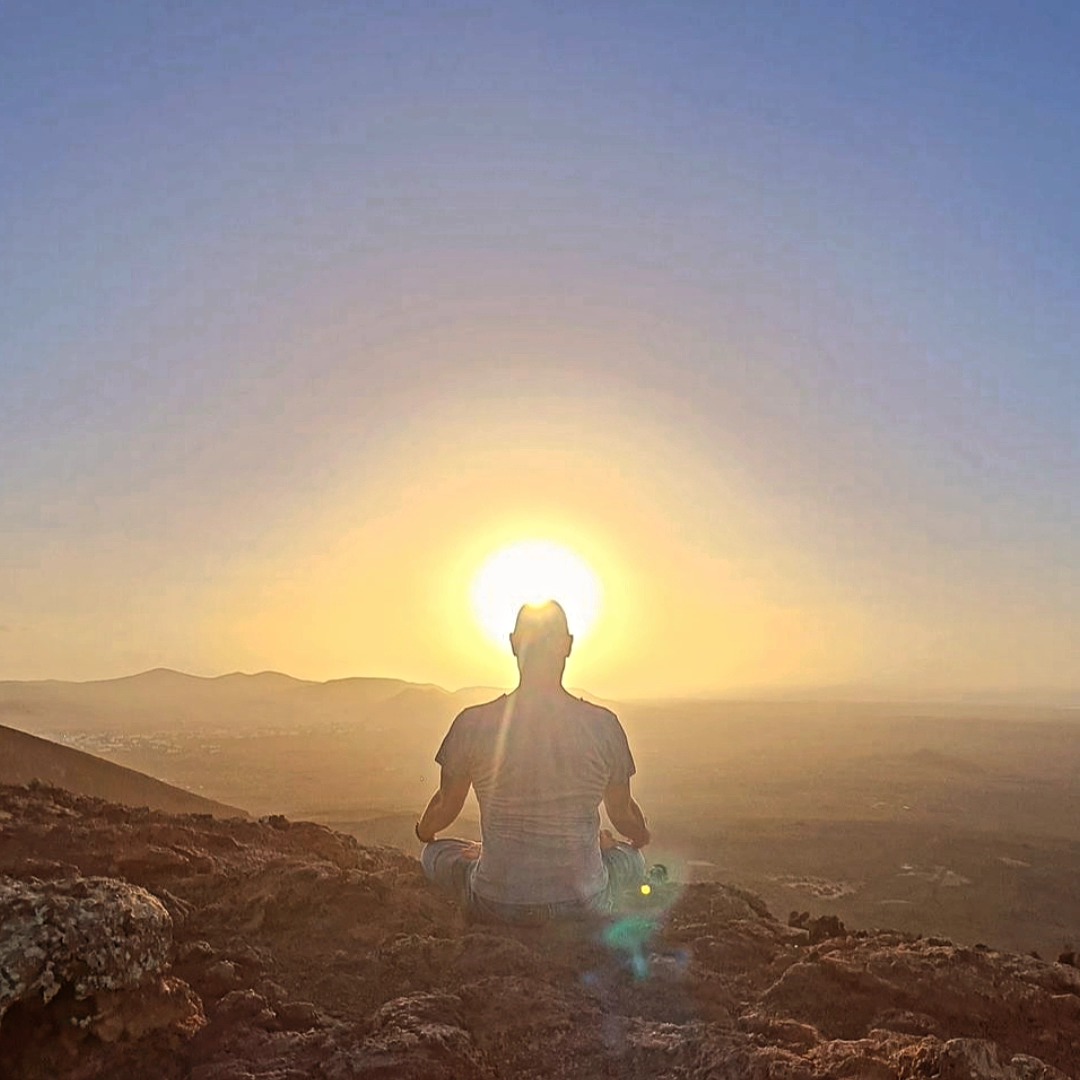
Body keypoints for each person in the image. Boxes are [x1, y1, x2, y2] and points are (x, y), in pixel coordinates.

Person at [416, 599, 650, 924]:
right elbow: (623, 815)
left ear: (513, 643)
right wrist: (639, 839)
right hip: (583, 902)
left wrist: (423, 832)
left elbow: (444, 805)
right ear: (568, 645)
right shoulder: (604, 725)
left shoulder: (473, 722)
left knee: (433, 854)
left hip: (496, 902)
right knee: (632, 859)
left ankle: (491, 863)